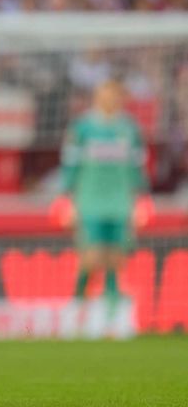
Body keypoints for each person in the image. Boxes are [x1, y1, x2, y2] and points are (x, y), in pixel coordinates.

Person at [51, 79, 153, 310]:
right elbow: (70, 164)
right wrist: (65, 197)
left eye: (116, 95)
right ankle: (80, 293)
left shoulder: (130, 129)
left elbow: (137, 167)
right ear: (97, 97)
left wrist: (142, 197)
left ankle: (111, 297)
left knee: (117, 252)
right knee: (92, 253)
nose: (111, 99)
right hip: (90, 200)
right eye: (106, 94)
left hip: (120, 201)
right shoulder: (82, 128)